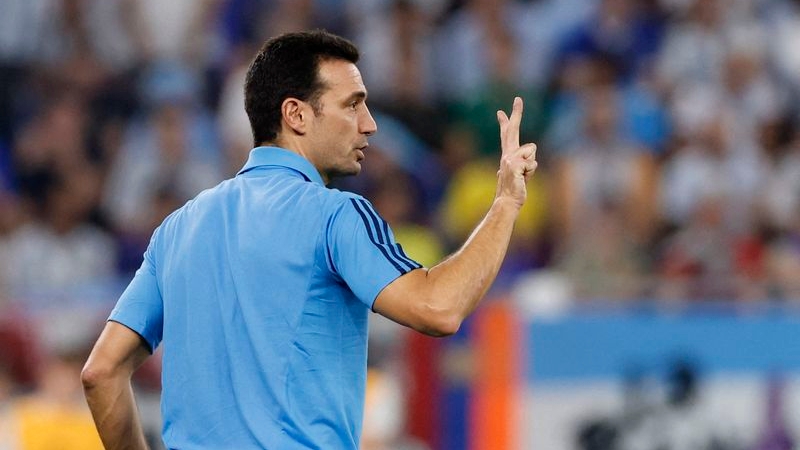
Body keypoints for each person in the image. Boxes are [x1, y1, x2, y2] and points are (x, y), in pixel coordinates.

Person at [80, 29, 538, 450]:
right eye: (352, 104)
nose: (370, 124)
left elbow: (101, 373)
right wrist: (505, 202)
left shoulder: (177, 228)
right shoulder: (334, 215)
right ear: (296, 114)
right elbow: (439, 308)